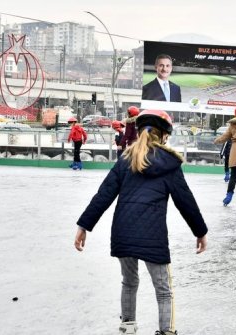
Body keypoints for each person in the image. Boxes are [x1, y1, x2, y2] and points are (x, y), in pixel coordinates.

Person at [74, 110, 207, 335]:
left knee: (129, 281)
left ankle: (127, 325)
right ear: (165, 135)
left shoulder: (125, 159)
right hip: (152, 236)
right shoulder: (170, 164)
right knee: (163, 290)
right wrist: (200, 231)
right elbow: (186, 201)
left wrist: (84, 225)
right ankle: (166, 331)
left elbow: (103, 194)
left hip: (122, 233)